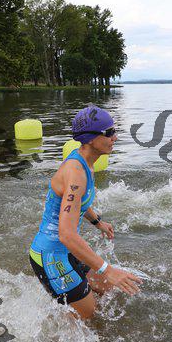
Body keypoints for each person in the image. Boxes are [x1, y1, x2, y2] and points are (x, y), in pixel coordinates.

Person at [29, 105, 142, 320]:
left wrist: (98, 222)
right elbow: (66, 234)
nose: (115, 137)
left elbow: (75, 201)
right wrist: (108, 270)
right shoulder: (76, 173)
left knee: (109, 291)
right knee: (88, 318)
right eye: (109, 132)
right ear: (90, 138)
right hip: (50, 255)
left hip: (66, 251)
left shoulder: (85, 162)